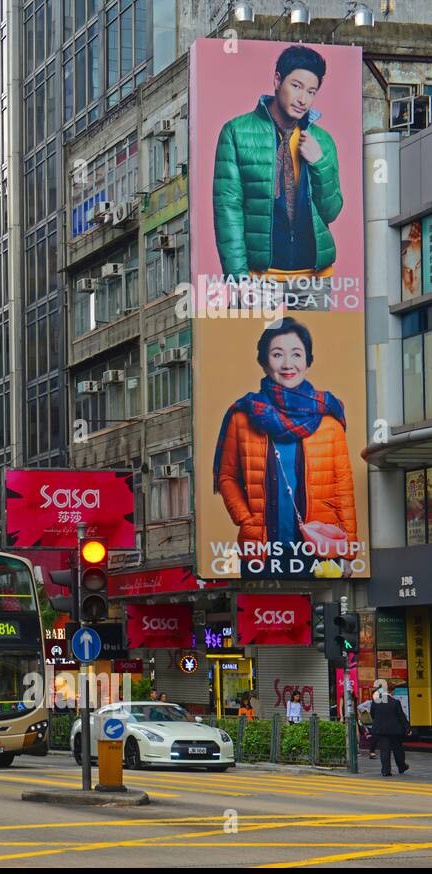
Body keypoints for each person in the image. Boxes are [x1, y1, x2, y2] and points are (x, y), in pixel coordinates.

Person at [214, 317, 356, 576]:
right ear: (264, 362)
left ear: (308, 360)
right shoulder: (243, 416)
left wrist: (348, 550)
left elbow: (343, 488)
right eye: (277, 354)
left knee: (323, 612)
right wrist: (246, 520)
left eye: (297, 354)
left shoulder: (329, 419)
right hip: (262, 549)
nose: (288, 364)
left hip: (319, 547)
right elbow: (227, 476)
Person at [213, 45, 343, 280]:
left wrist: (320, 163)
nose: (303, 99)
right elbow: (228, 209)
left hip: (315, 279)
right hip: (258, 277)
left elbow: (331, 211)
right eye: (296, 86)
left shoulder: (322, 140)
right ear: (277, 81)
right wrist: (237, 277)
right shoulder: (236, 132)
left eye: (312, 92)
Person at [370, 689, 410, 777]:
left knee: (384, 750)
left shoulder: (376, 702)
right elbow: (401, 717)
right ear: (391, 692)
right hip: (394, 731)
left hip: (381, 730)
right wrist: (408, 728)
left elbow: (372, 714)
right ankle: (401, 767)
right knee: (398, 750)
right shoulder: (395, 702)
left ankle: (385, 770)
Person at [357, 693, 376, 758]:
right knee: (372, 737)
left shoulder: (380, 704)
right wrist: (365, 709)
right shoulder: (369, 702)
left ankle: (372, 751)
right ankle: (372, 752)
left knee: (374, 737)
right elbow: (359, 706)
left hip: (376, 723)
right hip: (368, 723)